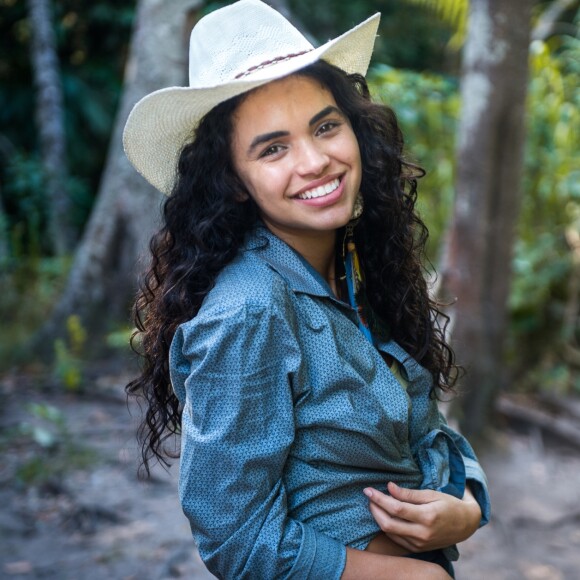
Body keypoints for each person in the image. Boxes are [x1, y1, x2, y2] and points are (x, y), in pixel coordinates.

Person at [123, 1, 491, 578]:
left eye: (325, 127)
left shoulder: (355, 270)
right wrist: (413, 575)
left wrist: (468, 507)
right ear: (234, 182)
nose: (317, 161)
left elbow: (424, 429)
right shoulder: (249, 310)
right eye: (273, 148)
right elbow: (235, 538)